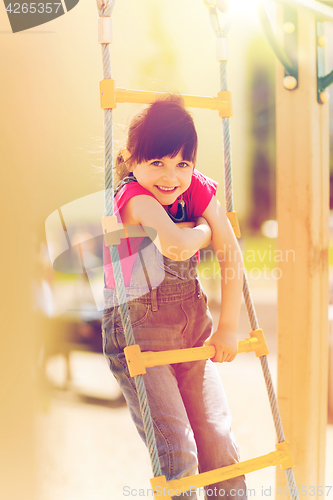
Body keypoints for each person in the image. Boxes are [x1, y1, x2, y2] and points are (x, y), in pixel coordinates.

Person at [102, 95, 247, 500]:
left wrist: (229, 327)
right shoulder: (134, 198)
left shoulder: (195, 187)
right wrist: (205, 227)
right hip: (138, 336)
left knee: (219, 443)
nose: (171, 176)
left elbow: (231, 251)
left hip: (192, 333)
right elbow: (180, 246)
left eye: (183, 164)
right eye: (158, 163)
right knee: (179, 452)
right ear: (132, 161)